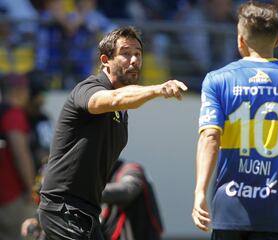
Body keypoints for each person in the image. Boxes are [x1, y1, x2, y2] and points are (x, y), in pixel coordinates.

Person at [192, 1, 278, 240]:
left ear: (240, 40)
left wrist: (199, 192)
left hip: (229, 210)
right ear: (277, 40)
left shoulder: (217, 79)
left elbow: (210, 137)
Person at [38, 26, 187, 239]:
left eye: (138, 54)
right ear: (106, 60)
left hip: (86, 211)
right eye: (126, 53)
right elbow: (113, 98)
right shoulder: (88, 88)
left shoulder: (121, 109)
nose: (134, 60)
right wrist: (157, 89)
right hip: (63, 209)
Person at [22, 159, 163, 240]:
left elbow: (127, 190)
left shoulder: (130, 169)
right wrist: (37, 220)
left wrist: (78, 192)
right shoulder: (88, 178)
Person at [0, 73, 36, 240]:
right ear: (21, 91)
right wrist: (31, 190)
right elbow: (20, 154)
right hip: (12, 198)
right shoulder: (13, 114)